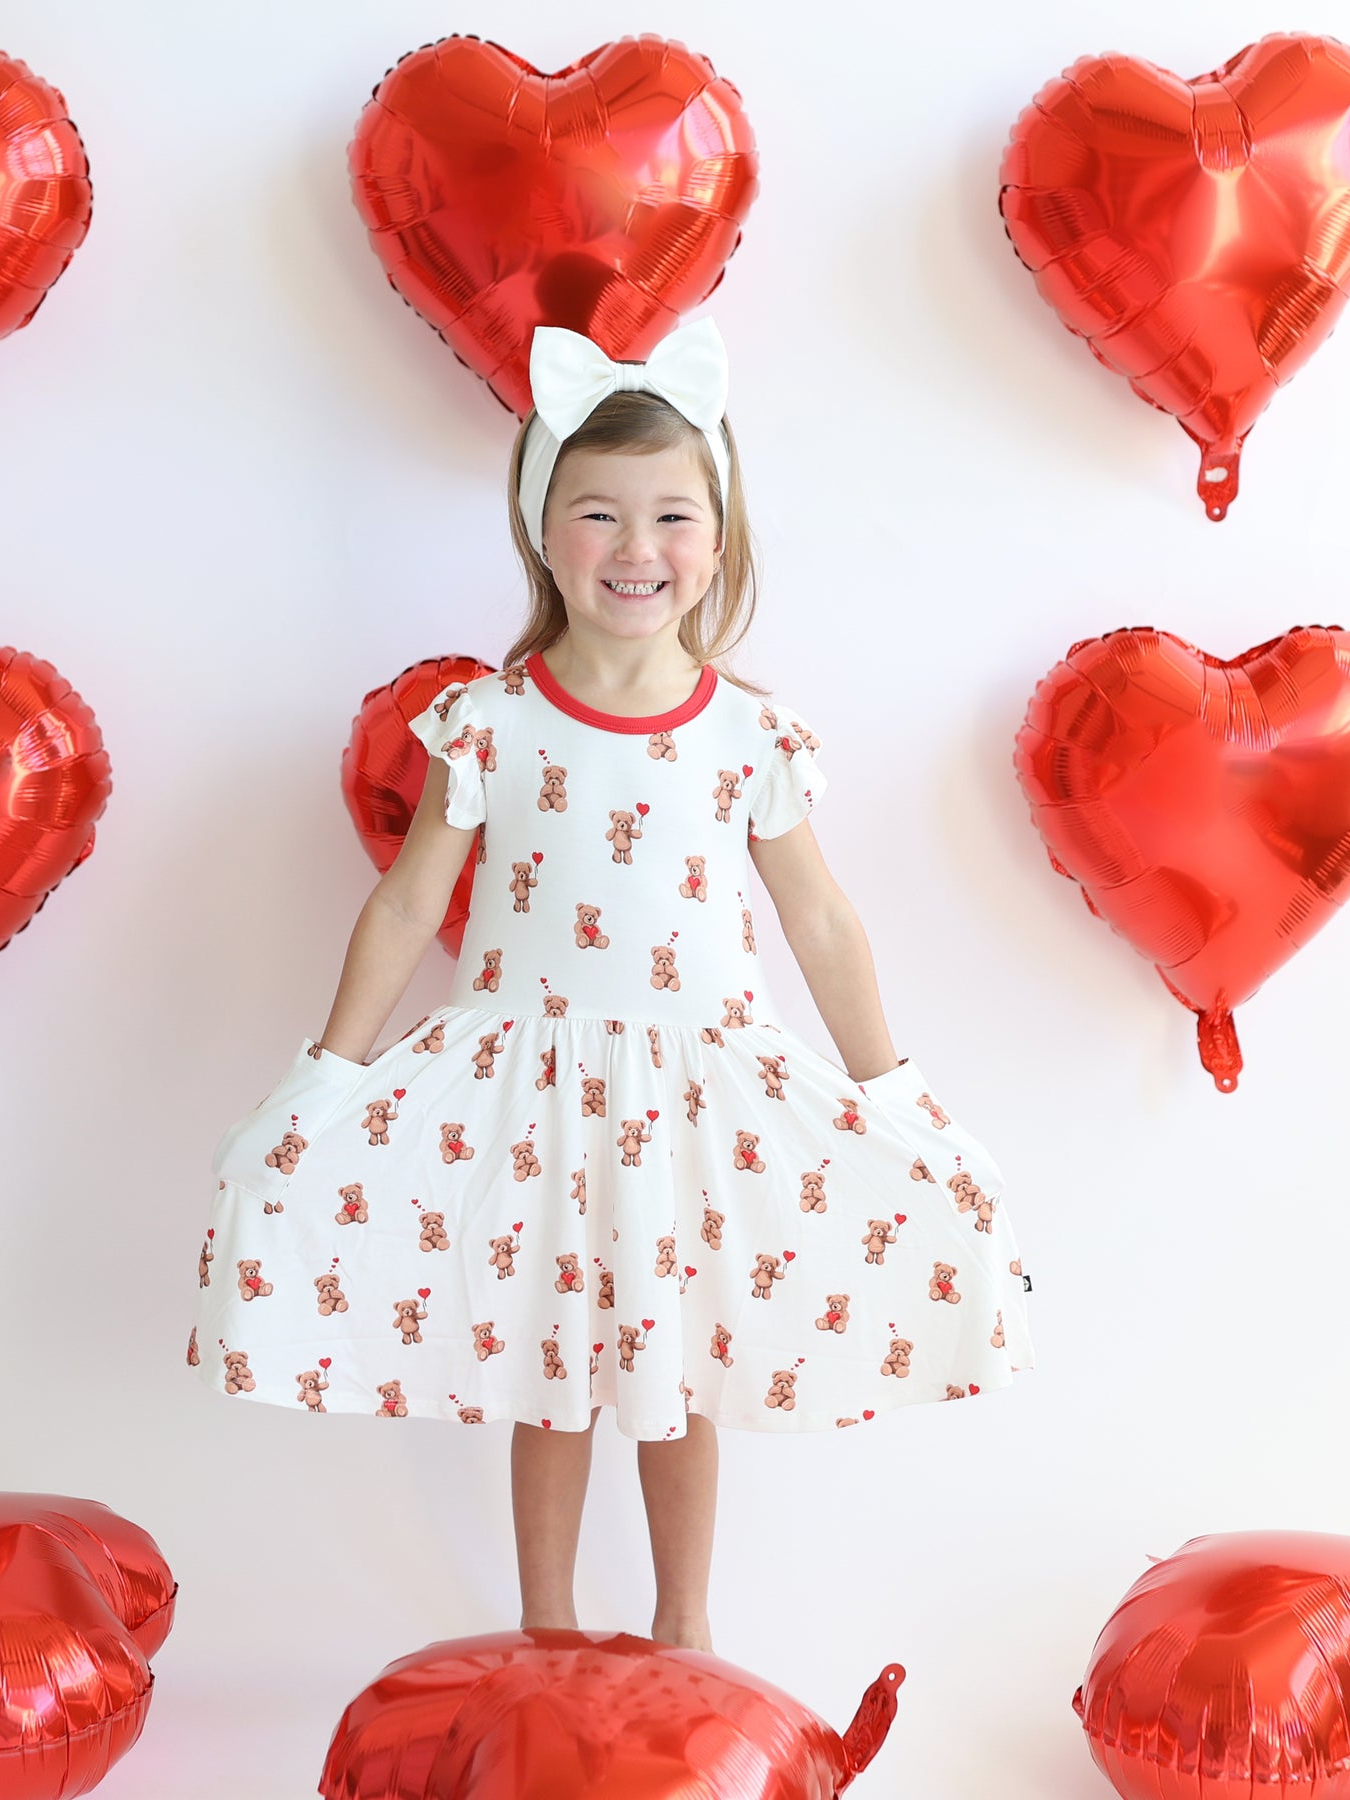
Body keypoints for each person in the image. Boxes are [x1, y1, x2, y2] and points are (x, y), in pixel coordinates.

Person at [188, 318, 1034, 1653]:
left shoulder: (749, 733)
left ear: (718, 537)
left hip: (693, 1093)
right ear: (543, 532)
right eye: (600, 513)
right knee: (551, 1373)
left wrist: (900, 1094)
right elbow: (411, 903)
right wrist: (325, 1078)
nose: (638, 548)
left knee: (676, 1368)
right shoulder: (492, 720)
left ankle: (685, 1637)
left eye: (672, 517)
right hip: (532, 1090)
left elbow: (816, 918)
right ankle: (546, 1636)